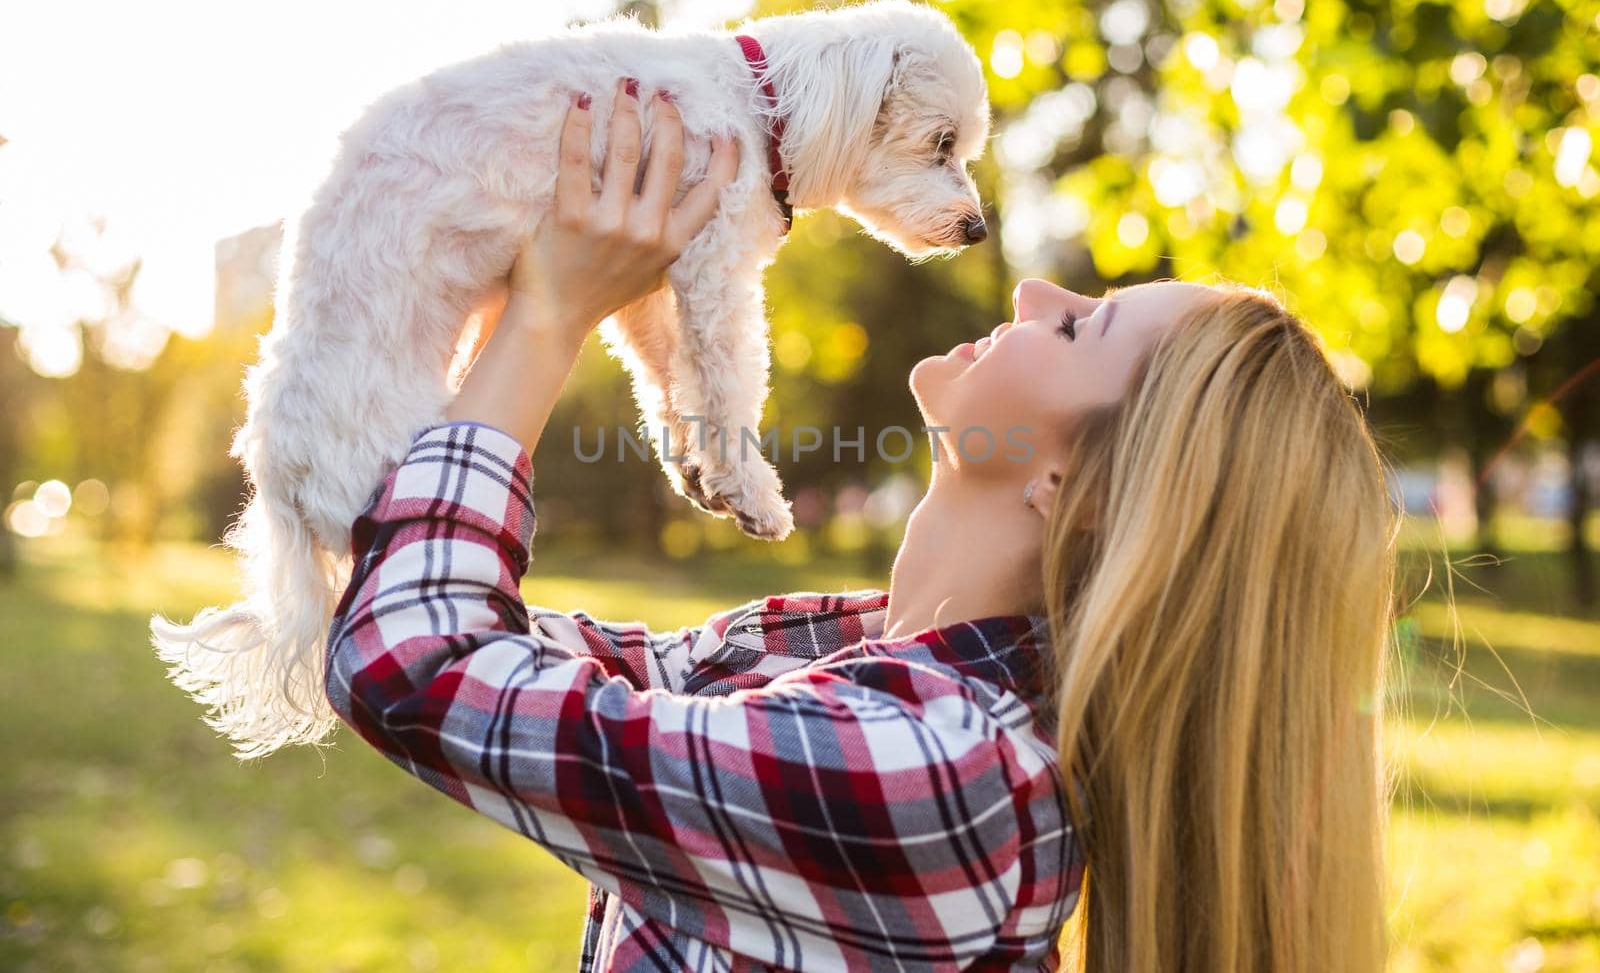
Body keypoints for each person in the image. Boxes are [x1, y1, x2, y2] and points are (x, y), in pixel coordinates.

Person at [324, 75, 1398, 972]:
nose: (1031, 291)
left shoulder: (946, 775)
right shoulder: (844, 655)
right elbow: (454, 626)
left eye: (1080, 328)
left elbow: (415, 662)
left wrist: (554, 315)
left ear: (1082, 489)